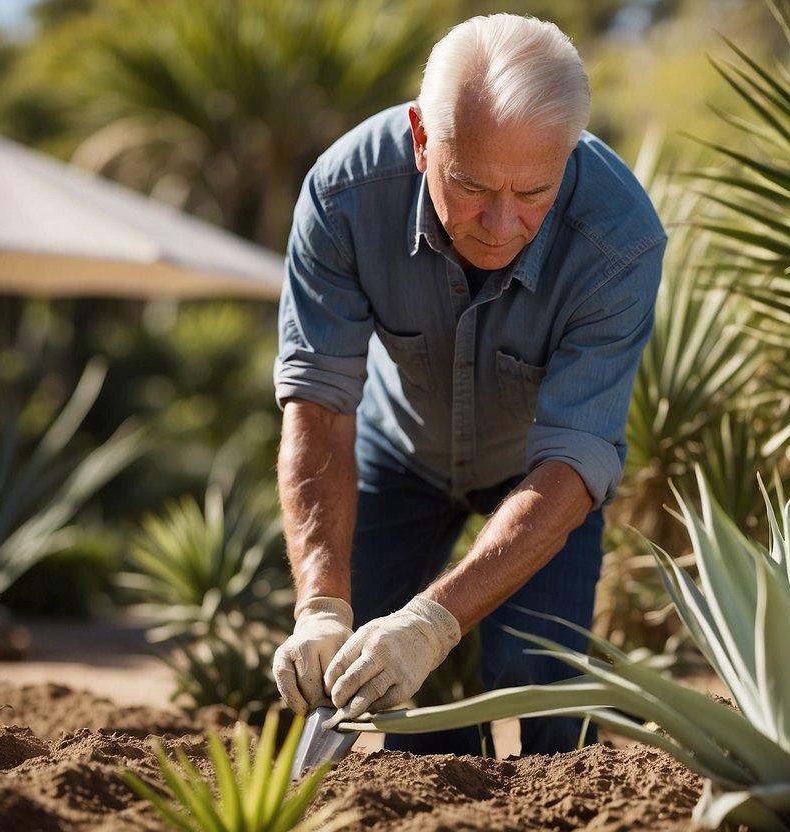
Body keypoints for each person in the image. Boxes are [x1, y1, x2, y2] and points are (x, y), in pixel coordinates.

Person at [271, 13, 664, 756]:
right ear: (423, 138)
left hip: (538, 477)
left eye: (533, 192)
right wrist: (321, 605)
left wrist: (433, 624)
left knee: (542, 696)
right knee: (365, 695)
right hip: (395, 456)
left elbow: (575, 457)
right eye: (472, 184)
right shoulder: (344, 195)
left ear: (569, 153)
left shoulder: (621, 239)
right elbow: (318, 402)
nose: (499, 223)